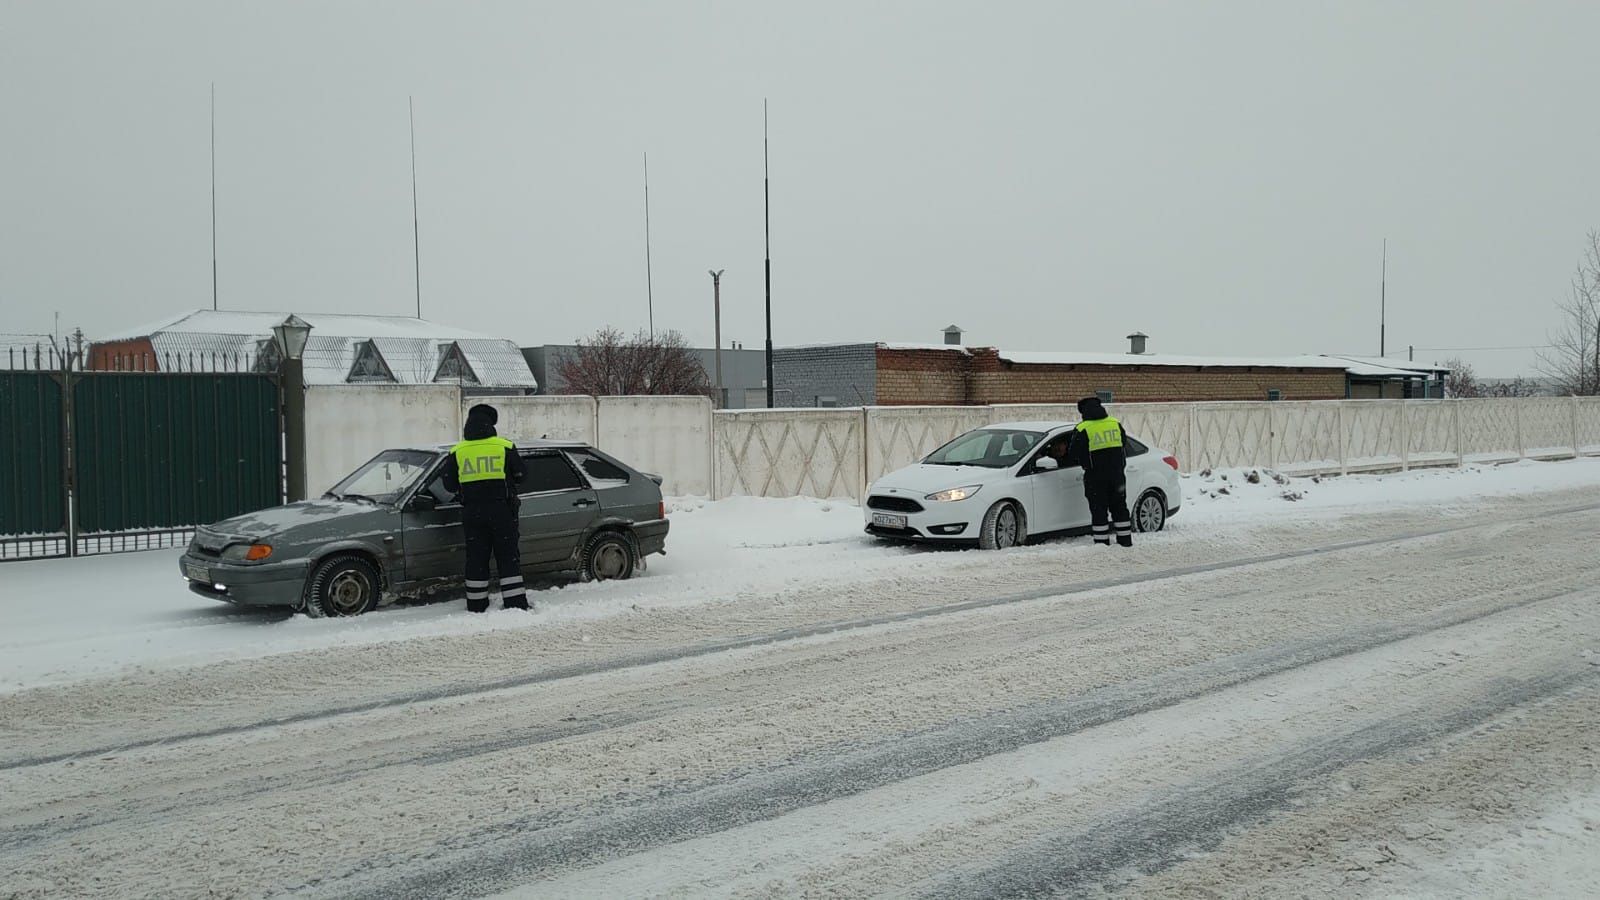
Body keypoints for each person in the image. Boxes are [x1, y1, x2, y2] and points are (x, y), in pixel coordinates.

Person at [441, 403, 529, 611]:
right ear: (491, 424)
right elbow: (522, 475)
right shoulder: (504, 446)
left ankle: (476, 604)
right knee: (508, 557)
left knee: (476, 558)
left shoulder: (457, 451)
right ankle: (515, 604)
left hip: (472, 513)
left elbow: (449, 484)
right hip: (502, 512)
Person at [1070, 396, 1133, 547]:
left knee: (1099, 510)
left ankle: (1102, 543)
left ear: (1083, 411)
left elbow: (1073, 453)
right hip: (1117, 475)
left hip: (1095, 476)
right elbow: (1124, 443)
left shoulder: (1082, 428)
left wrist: (1084, 461)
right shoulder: (1114, 423)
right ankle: (1125, 541)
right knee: (1119, 507)